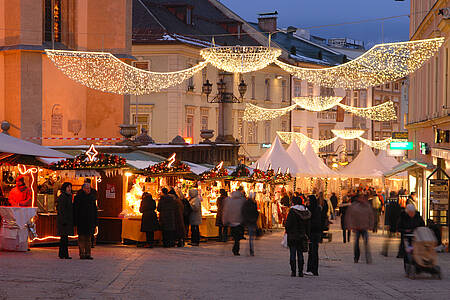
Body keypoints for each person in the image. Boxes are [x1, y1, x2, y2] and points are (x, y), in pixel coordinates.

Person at [285, 196, 311, 277]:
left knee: (292, 254)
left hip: (292, 236)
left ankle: (293, 271)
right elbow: (308, 226)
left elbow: (288, 224)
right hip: (302, 236)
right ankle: (300, 271)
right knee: (300, 254)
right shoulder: (305, 212)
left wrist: (288, 231)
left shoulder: (292, 211)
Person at [345, 192, 374, 264]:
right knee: (357, 244)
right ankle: (356, 257)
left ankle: (367, 258)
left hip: (364, 227)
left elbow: (371, 216)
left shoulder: (367, 206)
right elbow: (349, 216)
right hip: (357, 227)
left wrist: (371, 225)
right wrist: (350, 225)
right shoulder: (354, 206)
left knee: (366, 243)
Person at [73, 183, 98, 259]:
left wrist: (95, 221)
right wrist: (75, 221)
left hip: (90, 221)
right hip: (81, 221)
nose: (88, 190)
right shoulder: (78, 198)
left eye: (89, 188)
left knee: (88, 238)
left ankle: (88, 253)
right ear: (83, 189)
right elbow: (75, 210)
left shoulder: (92, 198)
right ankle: (82, 254)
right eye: (87, 188)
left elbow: (94, 210)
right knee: (81, 238)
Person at [222, 186, 247, 256]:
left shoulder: (228, 200)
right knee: (237, 238)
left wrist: (225, 220)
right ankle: (235, 248)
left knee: (234, 236)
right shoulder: (242, 200)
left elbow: (225, 211)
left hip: (231, 221)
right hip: (239, 221)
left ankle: (234, 247)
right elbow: (244, 211)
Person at [305, 195, 322, 276]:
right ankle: (311, 269)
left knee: (313, 251)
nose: (307, 202)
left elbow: (313, 222)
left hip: (313, 233)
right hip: (315, 232)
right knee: (312, 251)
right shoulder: (316, 209)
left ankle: (312, 269)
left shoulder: (313, 210)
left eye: (308, 200)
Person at [56, 182, 73, 259]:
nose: (69, 188)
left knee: (64, 238)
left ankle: (63, 254)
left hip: (66, 220)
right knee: (64, 238)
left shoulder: (68, 196)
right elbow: (61, 210)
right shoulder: (63, 197)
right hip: (63, 221)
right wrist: (64, 220)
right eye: (68, 187)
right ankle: (64, 254)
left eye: (70, 187)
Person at [242, 191, 259, 256]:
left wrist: (245, 219)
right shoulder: (254, 203)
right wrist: (255, 218)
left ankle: (250, 248)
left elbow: (243, 211)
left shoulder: (246, 203)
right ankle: (251, 249)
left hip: (248, 221)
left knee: (250, 235)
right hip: (252, 221)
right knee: (251, 236)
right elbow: (256, 212)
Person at [84, 178, 98, 248]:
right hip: (87, 215)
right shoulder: (81, 193)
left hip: (90, 215)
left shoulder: (93, 192)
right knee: (88, 231)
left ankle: (91, 243)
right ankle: (88, 244)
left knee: (91, 231)